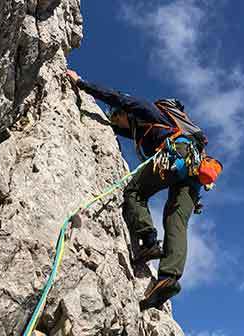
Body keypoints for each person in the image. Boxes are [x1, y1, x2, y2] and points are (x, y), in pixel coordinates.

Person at [67, 70, 217, 310]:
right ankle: (168, 278)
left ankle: (148, 241)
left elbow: (117, 97)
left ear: (123, 113)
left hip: (175, 156)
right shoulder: (149, 127)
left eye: (116, 117)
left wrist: (81, 84)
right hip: (194, 171)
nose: (115, 121)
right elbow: (122, 130)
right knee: (176, 220)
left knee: (134, 192)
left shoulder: (145, 109)